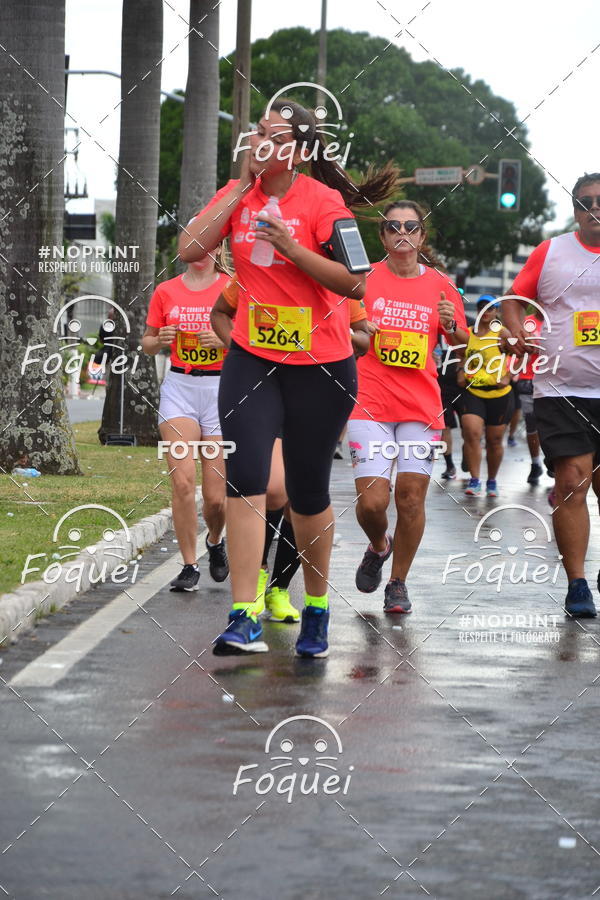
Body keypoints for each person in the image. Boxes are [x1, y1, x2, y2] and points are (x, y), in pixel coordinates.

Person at [180, 97, 397, 657]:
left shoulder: (323, 203)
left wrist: (293, 247)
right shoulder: (237, 197)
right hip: (254, 360)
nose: (260, 141)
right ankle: (243, 614)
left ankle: (318, 610)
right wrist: (236, 190)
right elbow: (189, 249)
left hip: (322, 368)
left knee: (306, 491)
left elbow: (357, 285)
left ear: (299, 151)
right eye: (256, 131)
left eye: (274, 135)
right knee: (245, 480)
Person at [211, 276, 370, 622]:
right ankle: (256, 576)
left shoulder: (335, 278)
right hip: (265, 390)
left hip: (316, 390)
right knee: (274, 489)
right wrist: (239, 348)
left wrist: (338, 337)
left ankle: (280, 588)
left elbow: (364, 338)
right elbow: (221, 313)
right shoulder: (261, 274)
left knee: (301, 499)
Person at [349, 200, 468, 614]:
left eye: (411, 227)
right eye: (393, 226)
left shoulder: (440, 283)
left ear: (421, 235)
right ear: (382, 236)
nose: (402, 232)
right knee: (371, 503)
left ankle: (398, 582)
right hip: (370, 402)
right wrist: (361, 330)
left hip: (421, 407)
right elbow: (344, 333)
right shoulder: (363, 281)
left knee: (411, 498)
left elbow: (458, 340)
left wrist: (452, 324)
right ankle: (379, 545)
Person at [502, 172, 600, 618]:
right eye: (584, 202)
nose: (593, 208)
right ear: (575, 207)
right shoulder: (552, 251)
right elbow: (514, 300)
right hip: (560, 386)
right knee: (570, 481)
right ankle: (577, 583)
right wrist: (519, 330)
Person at [142, 251, 230, 592]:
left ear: (218, 249)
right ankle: (189, 564)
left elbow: (248, 340)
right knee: (181, 481)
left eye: (206, 243)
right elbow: (147, 343)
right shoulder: (166, 290)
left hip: (220, 389)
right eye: (193, 242)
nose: (199, 251)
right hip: (180, 388)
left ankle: (215, 538)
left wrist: (224, 339)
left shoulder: (233, 287)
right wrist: (159, 339)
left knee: (216, 497)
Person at [459, 295, 514, 497]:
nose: (486, 311)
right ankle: (474, 480)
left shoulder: (503, 333)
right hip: (473, 391)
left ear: (497, 312)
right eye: (482, 307)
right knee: (472, 432)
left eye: (491, 308)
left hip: (499, 394)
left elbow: (519, 353)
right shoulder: (469, 333)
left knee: (495, 440)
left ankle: (492, 481)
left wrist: (509, 376)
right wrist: (460, 371)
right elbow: (460, 353)